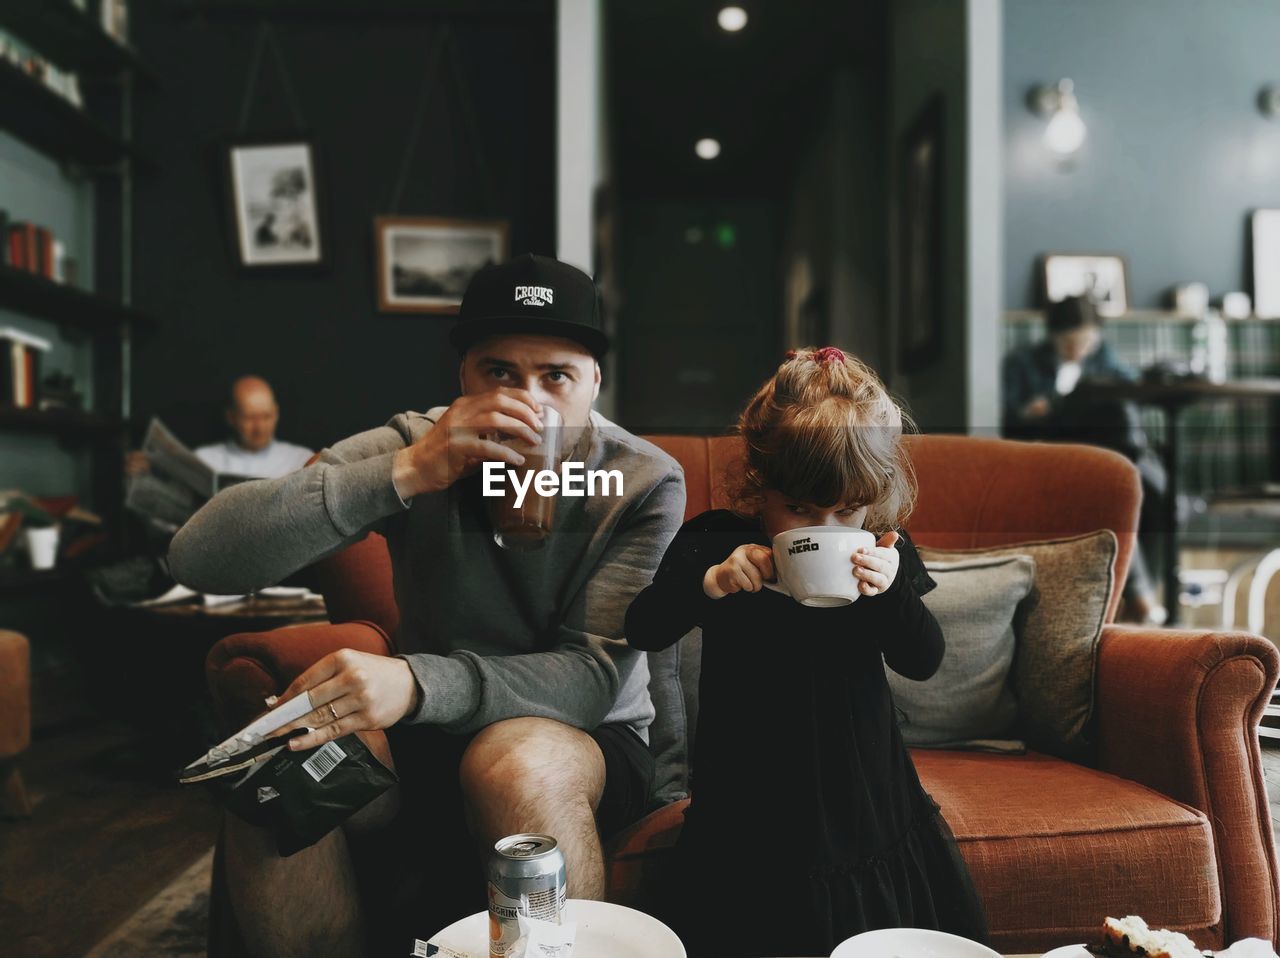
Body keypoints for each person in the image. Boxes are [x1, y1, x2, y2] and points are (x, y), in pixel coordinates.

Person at [167, 254, 686, 957]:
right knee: (280, 770)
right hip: (424, 738)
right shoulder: (419, 441)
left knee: (515, 760)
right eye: (499, 372)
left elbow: (590, 679)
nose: (525, 402)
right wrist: (406, 473)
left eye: (555, 376)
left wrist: (414, 681)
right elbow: (197, 557)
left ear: (594, 381)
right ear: (463, 377)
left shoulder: (642, 480)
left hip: (579, 743)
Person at [625, 346, 988, 958]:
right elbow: (643, 628)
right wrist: (712, 582)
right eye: (798, 509)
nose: (823, 525)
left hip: (862, 784)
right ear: (758, 487)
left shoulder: (884, 548)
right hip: (747, 788)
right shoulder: (716, 540)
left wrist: (890, 588)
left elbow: (923, 659)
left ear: (874, 497)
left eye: (845, 510)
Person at [1001, 295, 1167, 623]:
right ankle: (1141, 598)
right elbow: (1007, 419)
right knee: (1109, 493)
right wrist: (1031, 413)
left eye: (1087, 341)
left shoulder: (1103, 357)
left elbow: (1131, 392)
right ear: (1053, 336)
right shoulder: (1023, 362)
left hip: (1108, 453)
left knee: (1155, 493)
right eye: (1069, 341)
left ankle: (1145, 593)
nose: (1079, 349)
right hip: (1052, 453)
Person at [124, 375, 313, 480]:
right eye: (250, 418)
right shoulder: (203, 460)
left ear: (277, 413)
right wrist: (140, 478)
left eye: (266, 416)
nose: (260, 427)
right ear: (231, 418)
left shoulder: (303, 460)